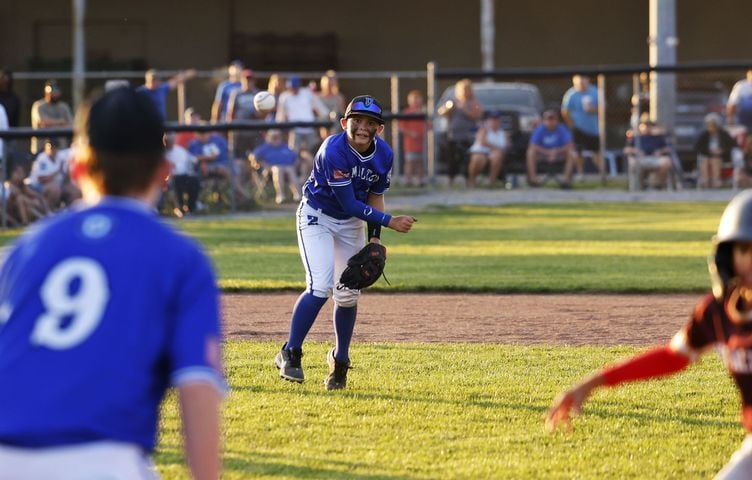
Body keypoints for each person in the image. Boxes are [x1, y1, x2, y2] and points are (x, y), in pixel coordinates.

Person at [0, 87, 225, 479]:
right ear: (164, 169)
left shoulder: (29, 246)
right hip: (102, 457)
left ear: (76, 167)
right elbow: (197, 390)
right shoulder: (180, 258)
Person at [546, 189, 752, 479]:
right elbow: (672, 357)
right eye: (745, 250)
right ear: (728, 256)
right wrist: (593, 382)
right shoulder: (717, 311)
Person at [274, 95, 416, 390]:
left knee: (348, 293)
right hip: (318, 216)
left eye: (371, 123)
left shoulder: (384, 154)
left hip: (350, 225)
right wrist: (390, 221)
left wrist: (375, 236)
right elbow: (349, 202)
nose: (363, 127)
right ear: (344, 123)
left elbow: (374, 196)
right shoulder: (333, 150)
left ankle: (340, 362)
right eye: (357, 120)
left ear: (379, 129)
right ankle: (291, 351)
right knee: (321, 285)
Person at [276, 75, 329, 178]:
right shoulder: (285, 97)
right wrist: (278, 129)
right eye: (291, 87)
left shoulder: (307, 93)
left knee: (313, 155)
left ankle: (311, 178)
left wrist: (326, 118)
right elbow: (280, 116)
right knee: (293, 156)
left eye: (295, 87)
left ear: (299, 85)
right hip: (294, 131)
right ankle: (294, 180)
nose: (293, 89)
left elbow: (321, 109)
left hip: (310, 129)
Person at [437, 79, 482, 187]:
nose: (465, 92)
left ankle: (468, 181)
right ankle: (450, 181)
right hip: (453, 136)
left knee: (466, 159)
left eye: (467, 89)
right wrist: (449, 108)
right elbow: (441, 113)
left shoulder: (474, 103)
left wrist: (464, 108)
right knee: (452, 160)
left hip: (467, 137)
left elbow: (477, 115)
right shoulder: (453, 102)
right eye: (463, 89)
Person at [561, 75, 605, 182]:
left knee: (596, 152)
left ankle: (603, 174)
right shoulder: (571, 94)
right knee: (577, 151)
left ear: (588, 81)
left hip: (593, 128)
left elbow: (603, 108)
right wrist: (571, 125)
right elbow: (565, 111)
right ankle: (580, 174)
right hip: (577, 128)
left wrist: (593, 110)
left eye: (583, 81)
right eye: (579, 82)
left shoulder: (595, 91)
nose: (581, 84)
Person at [526, 109, 576, 188]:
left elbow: (570, 145)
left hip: (560, 154)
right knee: (530, 152)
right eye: (548, 120)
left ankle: (566, 181)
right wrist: (548, 152)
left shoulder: (562, 129)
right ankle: (534, 180)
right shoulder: (540, 129)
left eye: (553, 119)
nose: (550, 122)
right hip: (543, 154)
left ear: (557, 120)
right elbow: (532, 145)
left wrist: (555, 152)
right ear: (544, 120)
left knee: (572, 153)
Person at [624, 115, 674, 190]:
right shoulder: (637, 137)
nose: (647, 127)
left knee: (667, 162)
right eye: (644, 125)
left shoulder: (658, 137)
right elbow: (626, 150)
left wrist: (660, 151)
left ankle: (657, 185)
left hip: (656, 159)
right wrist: (636, 151)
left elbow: (669, 149)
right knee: (633, 162)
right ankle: (640, 185)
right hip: (641, 159)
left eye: (649, 125)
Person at [251, 129, 301, 205]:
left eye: (278, 137)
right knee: (278, 169)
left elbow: (296, 158)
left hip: (288, 168)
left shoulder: (285, 146)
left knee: (290, 169)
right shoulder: (264, 148)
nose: (277, 139)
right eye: (274, 137)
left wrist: (295, 166)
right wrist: (263, 165)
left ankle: (298, 195)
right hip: (270, 170)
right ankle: (280, 195)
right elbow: (253, 157)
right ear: (269, 137)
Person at [695, 112, 738, 189]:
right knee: (705, 161)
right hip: (707, 155)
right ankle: (705, 182)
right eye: (709, 125)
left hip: (721, 156)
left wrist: (722, 150)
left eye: (713, 125)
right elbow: (697, 147)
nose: (711, 127)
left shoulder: (724, 134)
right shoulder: (704, 135)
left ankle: (716, 181)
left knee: (715, 160)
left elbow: (733, 145)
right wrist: (709, 151)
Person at [30, 80, 74, 154]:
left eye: (56, 91)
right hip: (41, 149)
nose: (54, 94)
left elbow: (71, 125)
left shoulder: (64, 107)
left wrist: (53, 123)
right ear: (46, 91)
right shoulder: (39, 105)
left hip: (61, 149)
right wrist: (60, 122)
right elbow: (44, 122)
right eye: (51, 91)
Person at [467, 110, 508, 188]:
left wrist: (498, 149)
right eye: (492, 120)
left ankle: (491, 181)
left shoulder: (503, 133)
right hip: (480, 151)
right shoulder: (484, 130)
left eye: (496, 120)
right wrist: (496, 147)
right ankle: (472, 181)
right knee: (478, 159)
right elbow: (482, 142)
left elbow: (506, 145)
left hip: (494, 154)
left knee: (497, 156)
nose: (494, 122)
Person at [398, 90, 428, 187]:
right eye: (414, 99)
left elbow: (429, 125)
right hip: (410, 142)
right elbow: (401, 126)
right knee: (410, 162)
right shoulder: (407, 112)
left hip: (422, 143)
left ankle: (421, 180)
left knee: (420, 162)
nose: (416, 101)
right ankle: (408, 180)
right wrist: (411, 133)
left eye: (418, 99)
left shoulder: (423, 112)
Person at [165, 132, 200, 216]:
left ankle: (191, 209)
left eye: (172, 139)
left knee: (194, 181)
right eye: (169, 139)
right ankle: (180, 209)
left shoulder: (179, 150)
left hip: (184, 175)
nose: (171, 141)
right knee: (176, 181)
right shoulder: (162, 152)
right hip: (170, 178)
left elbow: (193, 159)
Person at [317, 70, 346, 137]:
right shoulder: (318, 97)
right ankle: (324, 139)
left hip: (334, 120)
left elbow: (342, 112)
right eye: (328, 81)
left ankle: (332, 138)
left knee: (335, 116)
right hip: (322, 119)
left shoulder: (339, 97)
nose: (329, 83)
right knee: (323, 119)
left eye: (332, 81)